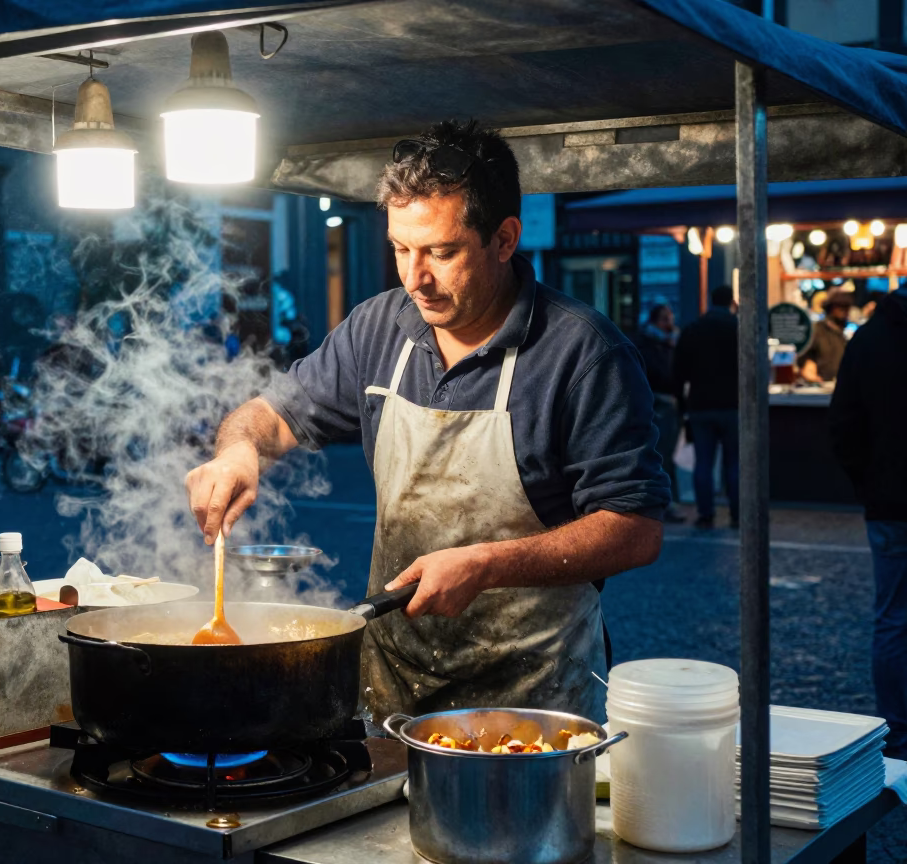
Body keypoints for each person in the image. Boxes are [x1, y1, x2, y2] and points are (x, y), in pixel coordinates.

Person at [185, 120, 669, 725]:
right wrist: (237, 452)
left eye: (441, 252)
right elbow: (270, 414)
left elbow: (635, 527)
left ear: (504, 238)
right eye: (400, 249)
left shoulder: (583, 354)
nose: (415, 278)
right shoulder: (377, 328)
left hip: (532, 702)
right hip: (392, 688)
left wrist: (489, 564)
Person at [829, 288, 907, 760]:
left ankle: (897, 735)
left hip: (890, 500)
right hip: (888, 496)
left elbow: (842, 426)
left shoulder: (869, 339)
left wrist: (867, 483)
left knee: (893, 619)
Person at [674, 285, 739, 530]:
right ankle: (737, 513)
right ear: (731, 301)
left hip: (700, 404)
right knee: (735, 463)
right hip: (733, 404)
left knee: (703, 462)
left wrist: (683, 405)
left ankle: (705, 513)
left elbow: (678, 371)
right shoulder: (738, 328)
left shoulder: (693, 330)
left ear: (711, 301)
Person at [635, 304, 686, 523]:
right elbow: (662, 375)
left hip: (667, 404)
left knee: (664, 455)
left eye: (671, 318)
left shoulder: (669, 343)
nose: (670, 324)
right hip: (659, 405)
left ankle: (665, 501)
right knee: (661, 456)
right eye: (665, 319)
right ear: (655, 322)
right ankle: (665, 502)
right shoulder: (649, 345)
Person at [799, 289, 852, 383]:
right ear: (831, 308)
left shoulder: (843, 334)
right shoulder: (817, 330)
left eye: (847, 308)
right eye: (841, 307)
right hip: (820, 387)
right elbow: (807, 357)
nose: (845, 312)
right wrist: (810, 372)